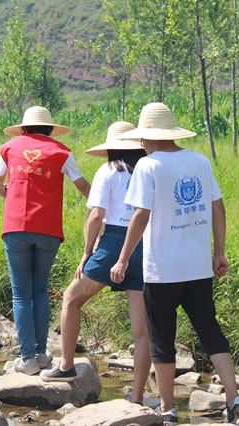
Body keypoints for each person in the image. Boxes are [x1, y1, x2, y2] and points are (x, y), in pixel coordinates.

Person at [110, 103, 239, 424]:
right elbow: (218, 207)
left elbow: (141, 215)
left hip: (162, 271)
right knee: (210, 330)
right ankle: (234, 398)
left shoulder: (148, 166)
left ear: (147, 137)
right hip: (199, 267)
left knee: (162, 339)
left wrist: (122, 258)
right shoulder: (199, 161)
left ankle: (168, 407)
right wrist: (219, 252)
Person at [40, 121, 151, 404]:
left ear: (111, 146)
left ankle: (66, 365)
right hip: (145, 242)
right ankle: (137, 397)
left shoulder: (108, 170)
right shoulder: (148, 168)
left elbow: (95, 214)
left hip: (114, 241)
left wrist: (88, 251)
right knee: (142, 329)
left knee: (71, 298)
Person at [0, 106, 91, 375]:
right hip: (48, 229)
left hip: (15, 228)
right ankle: (41, 352)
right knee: (39, 291)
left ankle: (27, 359)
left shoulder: (10, 148)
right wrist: (107, 208)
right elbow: (82, 185)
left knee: (21, 294)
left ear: (24, 128)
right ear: (50, 129)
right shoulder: (61, 151)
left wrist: (8, 195)